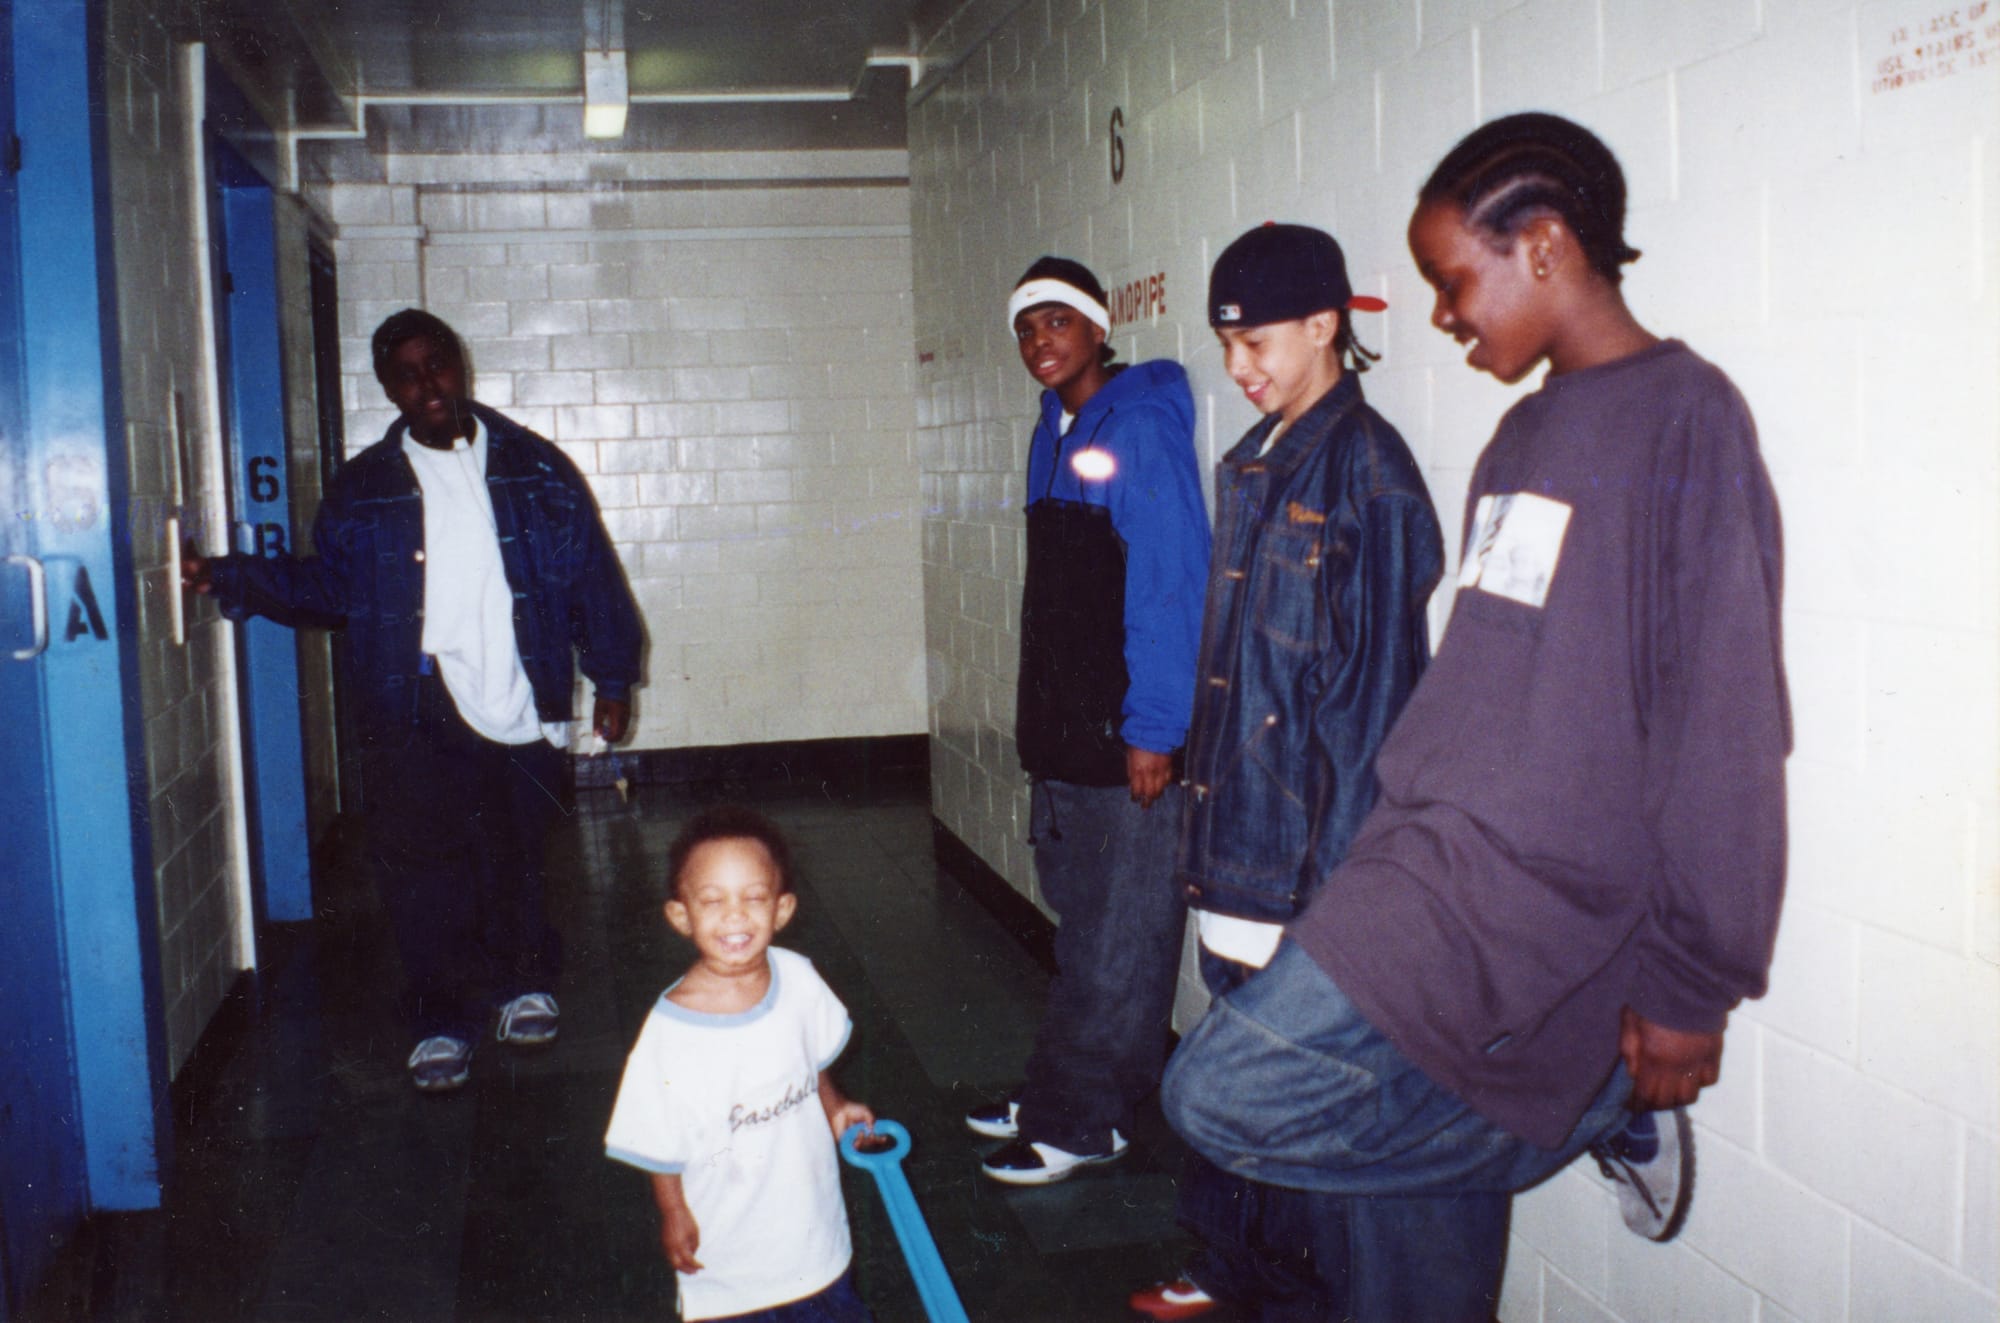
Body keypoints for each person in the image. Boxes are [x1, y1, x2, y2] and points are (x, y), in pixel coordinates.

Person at [1159, 111, 1790, 1321]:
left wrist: (1689, 983)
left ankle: (1592, 1101)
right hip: (1421, 867)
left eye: (1452, 281)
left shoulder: (1684, 418)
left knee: (1212, 1095)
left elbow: (1724, 726)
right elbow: (1480, 680)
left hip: (1524, 899)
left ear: (1542, 245)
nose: (1443, 316)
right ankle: (1547, 1107)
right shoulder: (1521, 433)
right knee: (1396, 1228)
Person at [185, 308, 643, 1093]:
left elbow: (589, 574)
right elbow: (328, 587)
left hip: (519, 692)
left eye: (438, 364)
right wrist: (231, 576)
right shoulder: (364, 487)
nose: (428, 384)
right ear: (388, 388)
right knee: (423, 869)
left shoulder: (536, 468)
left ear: (459, 365)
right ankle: (440, 1020)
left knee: (515, 854)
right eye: (407, 374)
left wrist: (612, 677)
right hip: (412, 699)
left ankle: (524, 985)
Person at [1130, 224, 1444, 1322]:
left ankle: (1291, 1297)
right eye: (1225, 346)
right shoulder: (1255, 461)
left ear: (1324, 326)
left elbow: (1376, 708)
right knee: (1235, 1068)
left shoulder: (1370, 478)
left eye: (1255, 342)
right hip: (1239, 847)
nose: (1238, 367)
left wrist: (1341, 901)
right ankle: (1227, 1270)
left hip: (1310, 866)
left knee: (1291, 1093)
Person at [964, 257, 1211, 1185]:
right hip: (1066, 734)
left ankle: (1085, 1120)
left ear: (1100, 327)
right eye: (1026, 328)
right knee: (1083, 928)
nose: (1040, 341)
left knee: (1122, 936)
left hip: (1128, 739)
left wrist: (1155, 728)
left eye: (1058, 321)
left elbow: (1169, 584)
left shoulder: (1139, 423)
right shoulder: (1052, 429)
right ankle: (1058, 1086)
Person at [604, 806, 876, 1322]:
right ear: (681, 916)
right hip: (728, 1255)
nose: (735, 916)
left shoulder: (798, 978)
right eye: (713, 901)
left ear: (782, 909)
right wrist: (673, 1210)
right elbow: (656, 1137)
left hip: (813, 1237)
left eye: (754, 898)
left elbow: (809, 1057)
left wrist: (835, 1106)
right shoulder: (670, 1032)